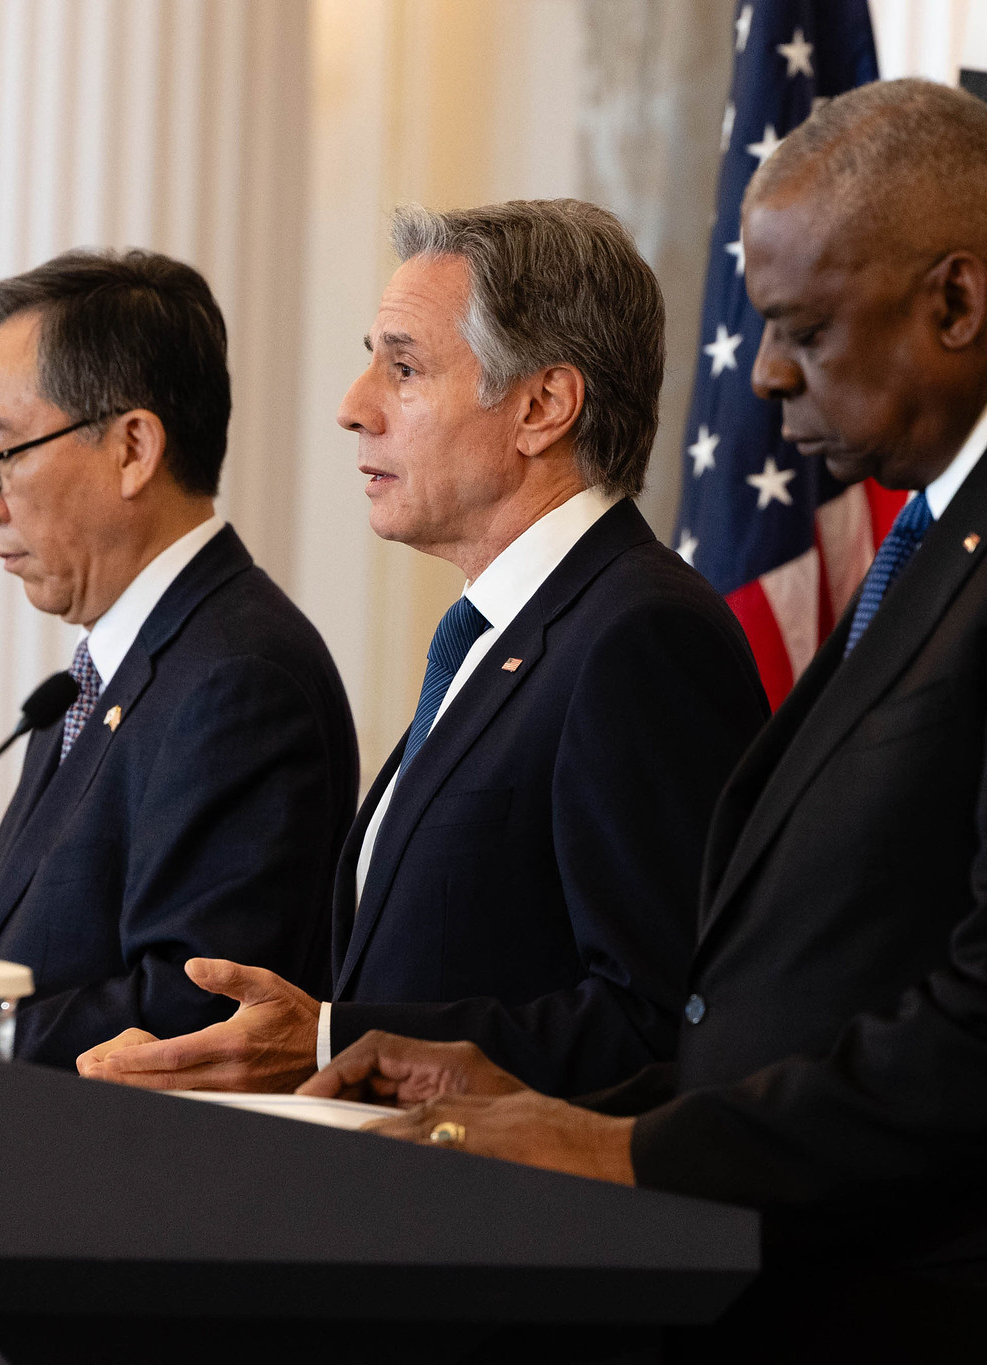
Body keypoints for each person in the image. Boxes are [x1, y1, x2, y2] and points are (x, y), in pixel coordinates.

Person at [300, 81, 987, 1362]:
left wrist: (629, 1146)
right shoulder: (973, 524)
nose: (765, 372)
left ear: (953, 302)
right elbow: (809, 992)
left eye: (802, 324)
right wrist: (539, 1100)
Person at [78, 201, 768, 1097]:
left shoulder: (640, 634)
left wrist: (337, 1041)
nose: (354, 407)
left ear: (542, 406)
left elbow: (660, 1021)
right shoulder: (500, 636)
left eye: (402, 368)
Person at [0, 250, 358, 1069]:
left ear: (133, 448)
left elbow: (189, 1015)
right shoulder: (103, 668)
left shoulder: (239, 678)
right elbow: (63, 964)